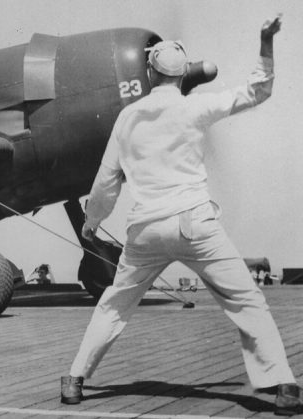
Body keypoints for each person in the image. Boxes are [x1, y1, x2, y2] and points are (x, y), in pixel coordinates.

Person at [60, 15, 302, 416]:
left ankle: (74, 379)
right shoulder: (196, 108)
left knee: (113, 306)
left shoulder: (126, 118)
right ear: (182, 74)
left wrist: (91, 223)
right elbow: (257, 91)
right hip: (194, 223)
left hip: (145, 230)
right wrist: (265, 41)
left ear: (151, 73)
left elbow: (106, 184)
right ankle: (284, 386)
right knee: (247, 300)